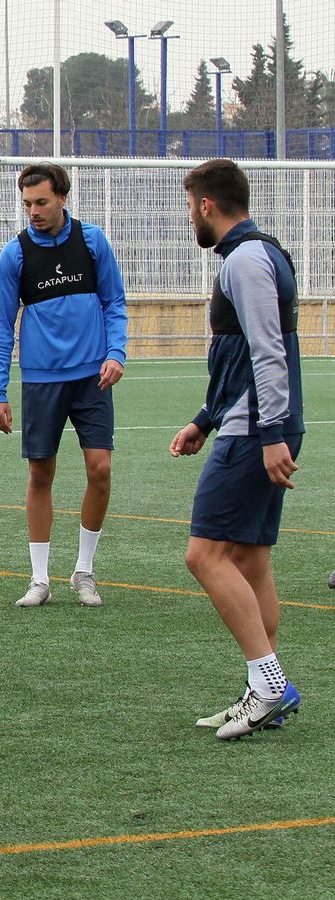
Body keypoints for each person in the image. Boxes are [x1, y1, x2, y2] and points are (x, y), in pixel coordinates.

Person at [172, 159, 304, 741]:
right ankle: (263, 690)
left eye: (189, 206)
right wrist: (205, 418)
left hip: (257, 427)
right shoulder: (258, 251)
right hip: (252, 419)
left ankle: (269, 682)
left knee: (204, 556)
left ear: (205, 204)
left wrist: (269, 432)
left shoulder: (246, 258)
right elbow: (238, 358)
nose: (190, 217)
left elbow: (267, 351)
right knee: (249, 560)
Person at [0, 163, 128, 608]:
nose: (33, 211)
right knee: (40, 473)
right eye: (27, 203)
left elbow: (115, 302)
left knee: (100, 470)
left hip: (92, 377)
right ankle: (40, 578)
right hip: (42, 380)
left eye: (41, 202)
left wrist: (116, 353)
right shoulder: (16, 255)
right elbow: (0, 326)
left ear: (62, 198)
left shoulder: (93, 241)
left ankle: (84, 571)